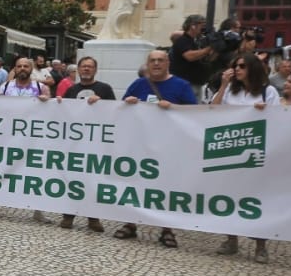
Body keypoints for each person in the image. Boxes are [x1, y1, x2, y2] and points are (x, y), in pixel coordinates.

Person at [113, 49, 197, 247]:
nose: (157, 64)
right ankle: (131, 224)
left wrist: (174, 108)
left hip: (169, 146)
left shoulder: (181, 86)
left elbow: (194, 114)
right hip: (140, 144)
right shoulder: (138, 84)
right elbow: (121, 109)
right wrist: (128, 103)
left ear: (168, 62)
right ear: (148, 64)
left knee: (166, 187)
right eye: (153, 61)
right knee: (135, 184)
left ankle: (166, 229)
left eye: (161, 60)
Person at [209, 53, 278, 262]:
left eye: (242, 66)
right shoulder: (231, 90)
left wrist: (264, 112)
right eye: (235, 65)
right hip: (232, 148)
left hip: (257, 149)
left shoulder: (268, 91)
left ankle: (260, 245)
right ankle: (231, 239)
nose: (237, 69)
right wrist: (223, 85)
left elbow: (279, 118)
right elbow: (213, 108)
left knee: (256, 198)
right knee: (230, 196)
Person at [57, 56, 114, 232]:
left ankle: (93, 218)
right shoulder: (72, 90)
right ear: (78, 70)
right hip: (74, 143)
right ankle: (68, 214)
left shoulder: (105, 89)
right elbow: (63, 114)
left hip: (96, 142)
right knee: (72, 179)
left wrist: (102, 103)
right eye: (83, 67)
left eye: (90, 67)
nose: (86, 69)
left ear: (95, 70)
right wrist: (56, 103)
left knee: (92, 180)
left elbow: (115, 113)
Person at [168, 14, 219, 90]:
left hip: (196, 84)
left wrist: (217, 48)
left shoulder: (195, 42)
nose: (203, 29)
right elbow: (190, 56)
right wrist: (209, 48)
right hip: (185, 84)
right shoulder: (182, 40)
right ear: (193, 26)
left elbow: (207, 60)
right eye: (202, 25)